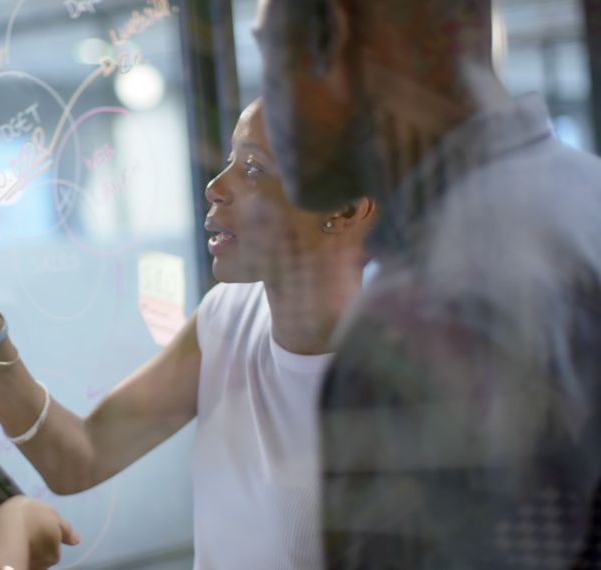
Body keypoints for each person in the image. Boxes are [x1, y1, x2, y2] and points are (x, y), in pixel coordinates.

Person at [0, 98, 376, 568]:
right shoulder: (227, 319)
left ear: (345, 209)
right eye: (228, 161)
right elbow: (80, 457)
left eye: (253, 168)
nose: (215, 187)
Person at [252, 0, 601, 567]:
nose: (268, 104)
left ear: (332, 38)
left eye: (269, 60)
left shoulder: (420, 319)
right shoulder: (585, 193)